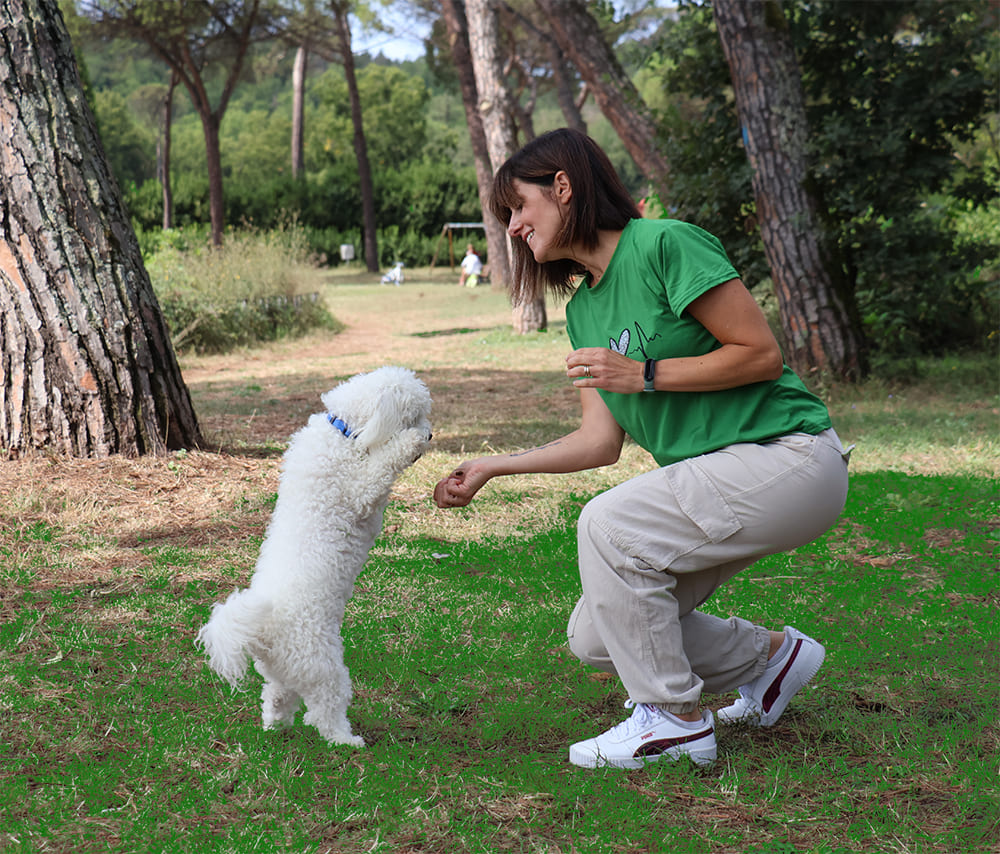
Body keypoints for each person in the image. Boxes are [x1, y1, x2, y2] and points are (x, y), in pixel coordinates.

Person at [433, 128, 851, 770]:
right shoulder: (582, 314)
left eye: (518, 207)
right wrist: (497, 466)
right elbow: (601, 442)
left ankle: (673, 719)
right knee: (598, 635)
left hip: (790, 456)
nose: (513, 227)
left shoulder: (663, 243)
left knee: (608, 524)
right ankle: (771, 658)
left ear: (563, 187)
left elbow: (762, 355)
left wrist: (645, 373)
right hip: (722, 478)